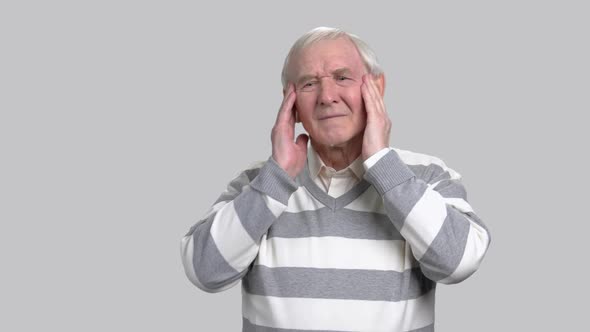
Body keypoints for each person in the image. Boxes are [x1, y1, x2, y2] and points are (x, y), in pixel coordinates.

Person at [180, 26, 491, 332]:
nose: (327, 96)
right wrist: (276, 179)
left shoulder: (426, 175)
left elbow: (459, 262)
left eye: (342, 77)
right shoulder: (258, 183)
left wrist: (383, 165)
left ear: (377, 88)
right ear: (292, 104)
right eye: (309, 84)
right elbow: (204, 271)